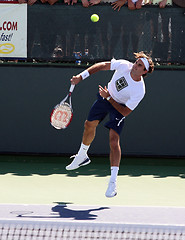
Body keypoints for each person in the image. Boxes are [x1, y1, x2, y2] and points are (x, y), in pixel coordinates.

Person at [66, 51, 154, 198]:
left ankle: (112, 182)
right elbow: (102, 66)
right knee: (89, 124)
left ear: (144, 71)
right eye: (136, 62)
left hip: (119, 106)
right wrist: (81, 76)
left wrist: (109, 99)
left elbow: (125, 112)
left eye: (139, 65)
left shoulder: (140, 90)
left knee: (113, 141)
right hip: (106, 97)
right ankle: (82, 156)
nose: (135, 66)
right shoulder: (124, 65)